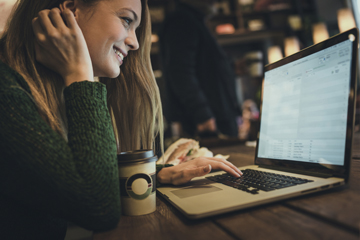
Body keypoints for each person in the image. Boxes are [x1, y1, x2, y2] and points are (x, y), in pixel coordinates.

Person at [0, 0, 242, 239]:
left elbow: (66, 182)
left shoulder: (42, 90)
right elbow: (98, 207)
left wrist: (156, 175)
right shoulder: (6, 91)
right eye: (127, 20)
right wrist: (79, 76)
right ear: (71, 10)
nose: (135, 42)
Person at [159, 0, 241, 138]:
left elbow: (203, 68)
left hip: (215, 117)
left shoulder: (193, 20)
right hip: (209, 123)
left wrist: (231, 66)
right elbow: (181, 73)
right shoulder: (182, 20)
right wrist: (202, 114)